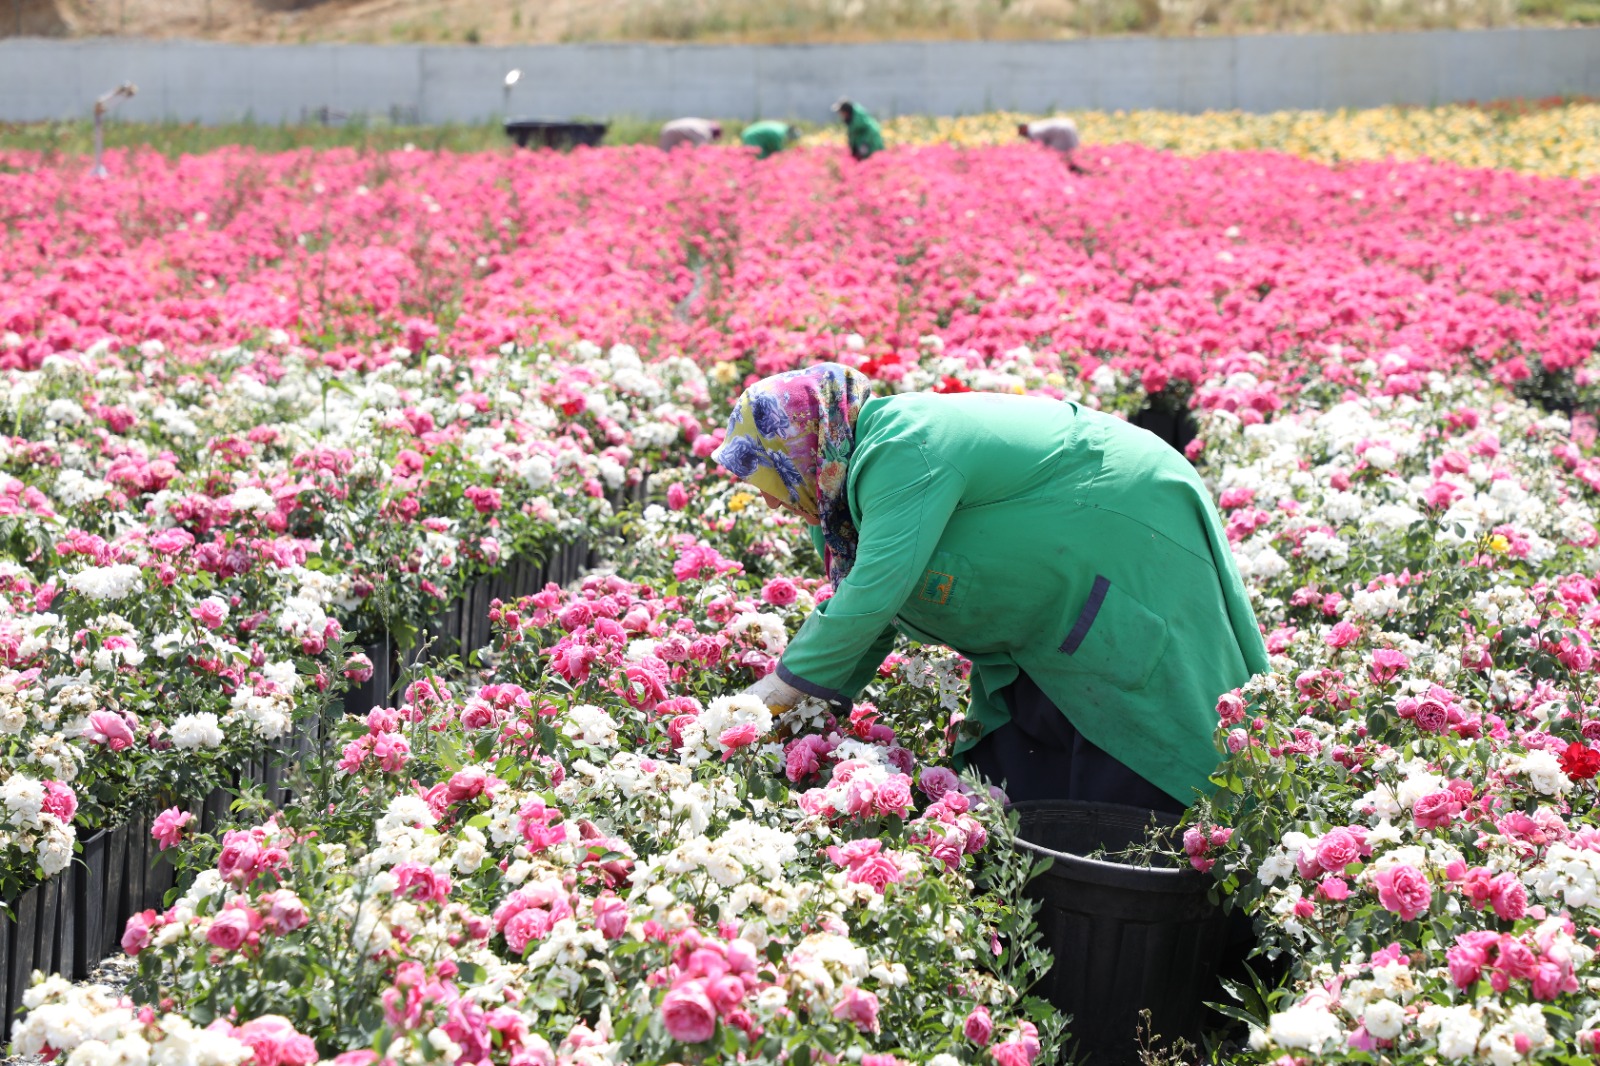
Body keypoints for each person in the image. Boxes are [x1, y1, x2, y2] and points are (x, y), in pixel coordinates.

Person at [713, 364, 1269, 812]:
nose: (766, 498)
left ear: (803, 447)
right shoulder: (835, 503)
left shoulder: (903, 445)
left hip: (1127, 518)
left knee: (1137, 714)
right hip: (1040, 600)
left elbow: (872, 595)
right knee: (1023, 767)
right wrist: (812, 710)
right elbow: (866, 609)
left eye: (768, 476)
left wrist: (771, 698)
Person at [1019, 116, 1088, 175]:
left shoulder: (1032, 131)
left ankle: (1070, 171)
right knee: (1072, 152)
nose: (1023, 135)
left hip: (1061, 131)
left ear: (1024, 128)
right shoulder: (1034, 126)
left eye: (1021, 132)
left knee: (1059, 156)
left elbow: (1038, 145)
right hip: (1068, 124)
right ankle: (1076, 169)